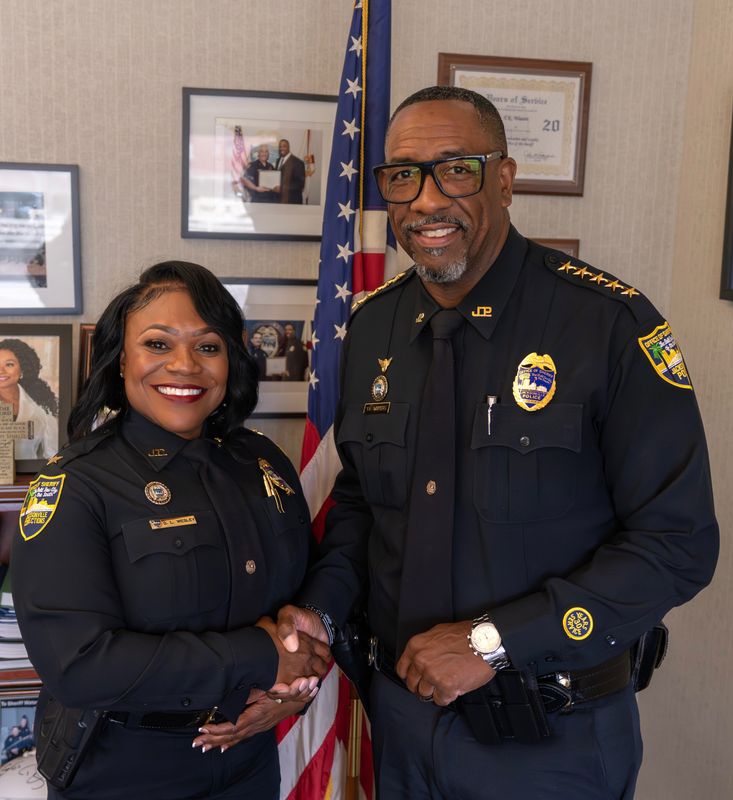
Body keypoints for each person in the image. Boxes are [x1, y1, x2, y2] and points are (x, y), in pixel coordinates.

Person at [268, 86, 719, 799]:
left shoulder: (607, 325)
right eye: (402, 176)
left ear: (503, 180)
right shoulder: (375, 330)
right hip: (401, 723)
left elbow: (677, 543)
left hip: (550, 738)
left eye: (455, 169)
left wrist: (494, 641)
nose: (423, 201)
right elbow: (362, 504)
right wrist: (320, 611)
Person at [11, 261, 330, 799]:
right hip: (127, 769)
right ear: (118, 361)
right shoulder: (74, 485)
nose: (185, 366)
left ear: (231, 361)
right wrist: (261, 657)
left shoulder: (262, 462)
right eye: (157, 345)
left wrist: (297, 680)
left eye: (208, 347)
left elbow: (309, 585)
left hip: (249, 758)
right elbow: (80, 665)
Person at [0, 338, 58, 459]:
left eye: (9, 364)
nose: (1, 371)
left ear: (23, 369)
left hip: (28, 476)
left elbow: (53, 457)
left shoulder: (43, 410)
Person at [274, 139, 305, 204]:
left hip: (292, 201)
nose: (281, 148)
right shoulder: (278, 160)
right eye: (280, 146)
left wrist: (282, 188)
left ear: (289, 147)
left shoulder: (298, 163)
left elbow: (300, 184)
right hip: (280, 201)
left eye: (284, 146)